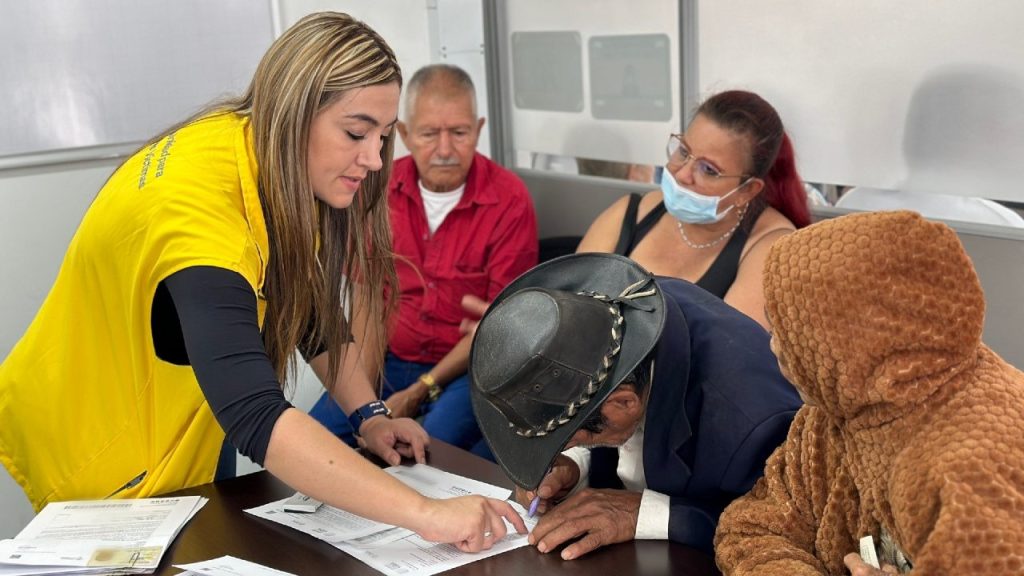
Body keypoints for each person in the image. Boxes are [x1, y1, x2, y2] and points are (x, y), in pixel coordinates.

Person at [0, 12, 524, 551]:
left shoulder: (258, 150)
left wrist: (367, 414)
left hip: (185, 416)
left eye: (384, 135)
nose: (372, 158)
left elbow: (304, 306)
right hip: (103, 439)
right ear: (295, 113)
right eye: (355, 132)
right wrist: (426, 515)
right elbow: (254, 412)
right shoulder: (200, 213)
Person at [714, 211, 1024, 575]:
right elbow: (751, 529)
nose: (776, 346)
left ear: (850, 337)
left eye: (793, 329)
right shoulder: (836, 408)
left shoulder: (971, 467)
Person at [468, 253, 803, 559]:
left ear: (623, 403)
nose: (559, 450)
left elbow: (789, 528)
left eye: (566, 438)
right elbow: (609, 407)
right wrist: (577, 464)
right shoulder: (609, 328)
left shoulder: (753, 423)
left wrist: (642, 513)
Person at [309, 63, 538, 458]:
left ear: (479, 130)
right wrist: (367, 408)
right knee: (314, 443)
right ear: (403, 134)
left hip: (470, 372)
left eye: (460, 133)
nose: (445, 150)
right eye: (430, 134)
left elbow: (498, 325)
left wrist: (419, 391)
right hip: (389, 360)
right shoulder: (373, 191)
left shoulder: (510, 200)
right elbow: (366, 301)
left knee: (424, 453)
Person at [576, 90, 811, 329]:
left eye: (708, 169)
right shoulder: (632, 212)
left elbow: (730, 356)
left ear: (747, 191)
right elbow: (568, 308)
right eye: (684, 152)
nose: (682, 174)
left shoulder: (771, 249)